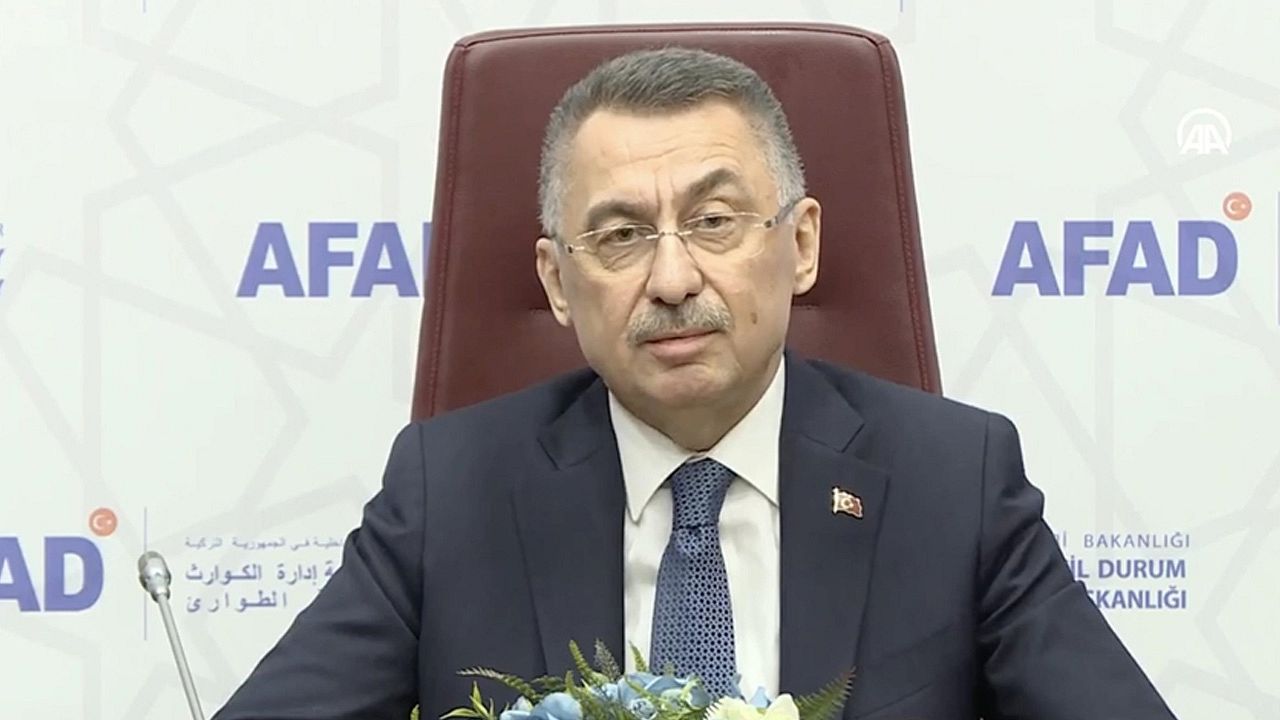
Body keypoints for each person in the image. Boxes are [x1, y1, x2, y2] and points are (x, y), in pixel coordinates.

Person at [213, 48, 1177, 720]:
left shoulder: (954, 481)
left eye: (715, 222)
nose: (673, 280)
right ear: (557, 282)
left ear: (801, 245)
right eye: (621, 235)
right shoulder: (450, 492)